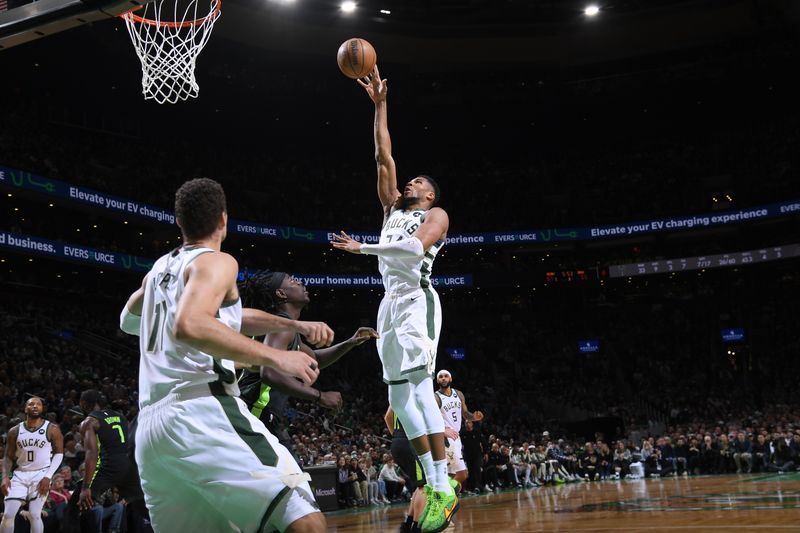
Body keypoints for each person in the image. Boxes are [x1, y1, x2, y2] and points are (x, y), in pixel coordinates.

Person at [119, 178, 331, 533]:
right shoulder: (217, 261)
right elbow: (191, 324)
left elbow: (129, 321)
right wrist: (275, 357)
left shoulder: (158, 272)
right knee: (305, 521)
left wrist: (296, 326)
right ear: (223, 219)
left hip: (152, 432)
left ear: (179, 222)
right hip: (201, 411)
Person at [331, 64, 456, 533]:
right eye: (411, 182)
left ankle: (443, 485)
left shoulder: (437, 216)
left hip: (418, 301)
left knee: (421, 392)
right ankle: (430, 476)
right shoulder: (391, 208)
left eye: (418, 182)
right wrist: (380, 104)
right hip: (389, 301)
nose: (410, 184)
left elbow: (411, 249)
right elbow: (383, 157)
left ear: (430, 194)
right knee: (400, 398)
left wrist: (361, 247)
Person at [238, 271, 378, 454]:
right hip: (256, 414)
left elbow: (315, 360)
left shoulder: (287, 328)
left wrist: (351, 342)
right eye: (293, 280)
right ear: (281, 293)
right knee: (293, 480)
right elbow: (269, 373)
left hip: (263, 417)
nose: (301, 282)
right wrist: (320, 396)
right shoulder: (281, 327)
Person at [62, 389, 144, 533]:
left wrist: (86, 486)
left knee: (76, 505)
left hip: (108, 466)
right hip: (128, 465)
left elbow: (91, 454)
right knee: (141, 505)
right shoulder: (121, 417)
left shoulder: (89, 422)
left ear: (83, 403)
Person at [1, 396, 64, 533]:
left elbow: (59, 454)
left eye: (38, 404)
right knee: (8, 515)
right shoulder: (14, 431)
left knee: (35, 514)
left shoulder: (52, 429)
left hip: (41, 473)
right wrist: (5, 477)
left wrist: (48, 476)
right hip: (20, 474)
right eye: (31, 404)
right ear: (25, 408)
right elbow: (8, 456)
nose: (35, 406)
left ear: (42, 408)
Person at [434, 369, 484, 487]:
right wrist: (443, 430)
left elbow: (465, 413)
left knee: (451, 474)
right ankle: (443, 497)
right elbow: (430, 419)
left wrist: (474, 417)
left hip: (456, 436)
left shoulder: (459, 394)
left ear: (450, 379)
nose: (443, 378)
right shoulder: (435, 398)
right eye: (440, 377)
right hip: (446, 438)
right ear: (437, 380)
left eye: (446, 376)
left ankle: (448, 501)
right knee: (462, 474)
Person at [385, 407, 427, 533]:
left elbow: (387, 417)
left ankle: (407, 525)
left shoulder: (397, 392)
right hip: (411, 442)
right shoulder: (418, 392)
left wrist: (397, 436)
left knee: (418, 486)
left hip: (397, 442)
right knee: (425, 486)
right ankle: (417, 527)